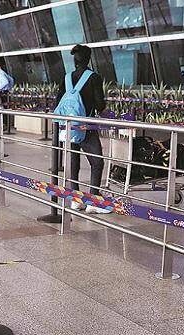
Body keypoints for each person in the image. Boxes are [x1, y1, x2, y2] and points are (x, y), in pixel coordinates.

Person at [56, 44, 109, 214]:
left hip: (69, 127)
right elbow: (100, 105)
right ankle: (93, 201)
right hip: (87, 127)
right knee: (97, 162)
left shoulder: (66, 78)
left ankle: (75, 200)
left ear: (74, 60)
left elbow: (58, 103)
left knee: (74, 161)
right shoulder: (94, 78)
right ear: (89, 59)